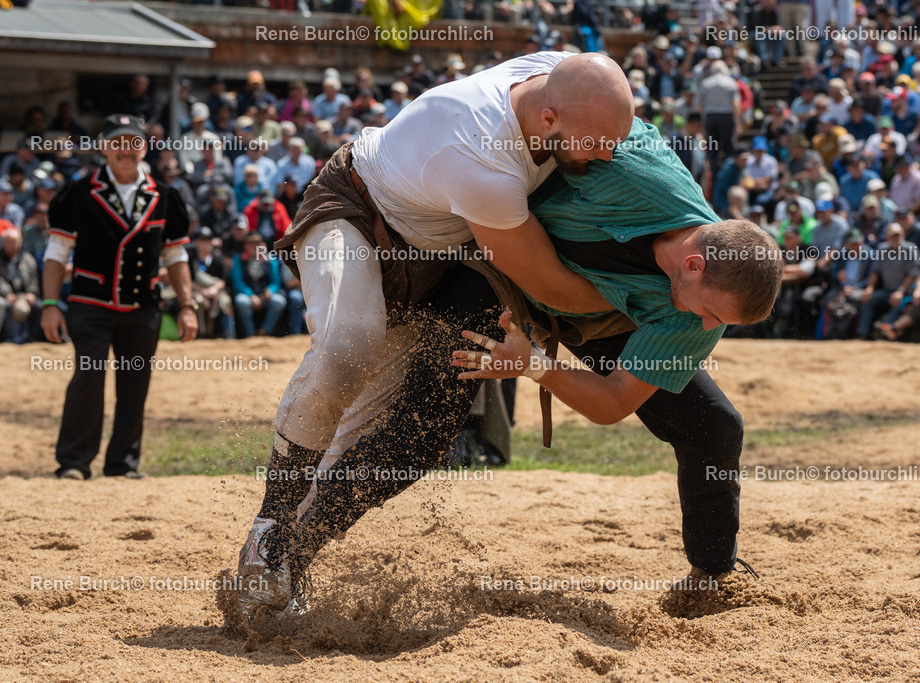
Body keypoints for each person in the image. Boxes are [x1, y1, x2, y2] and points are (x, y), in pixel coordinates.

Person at [231, 52, 637, 618]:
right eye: (597, 144)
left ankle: (283, 565)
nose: (609, 156)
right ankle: (271, 524)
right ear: (548, 120)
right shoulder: (478, 156)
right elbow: (550, 285)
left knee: (366, 434)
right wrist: (648, 298)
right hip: (355, 208)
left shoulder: (564, 77)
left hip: (434, 254)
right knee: (349, 345)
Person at [41, 115, 198, 480]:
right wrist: (50, 305)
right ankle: (74, 462)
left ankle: (122, 465)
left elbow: (176, 256)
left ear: (145, 147)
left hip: (143, 308)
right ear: (103, 147)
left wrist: (188, 306)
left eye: (134, 142)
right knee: (89, 378)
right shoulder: (77, 193)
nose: (126, 149)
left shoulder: (166, 196)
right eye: (117, 141)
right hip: (89, 304)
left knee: (135, 384)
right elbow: (55, 253)